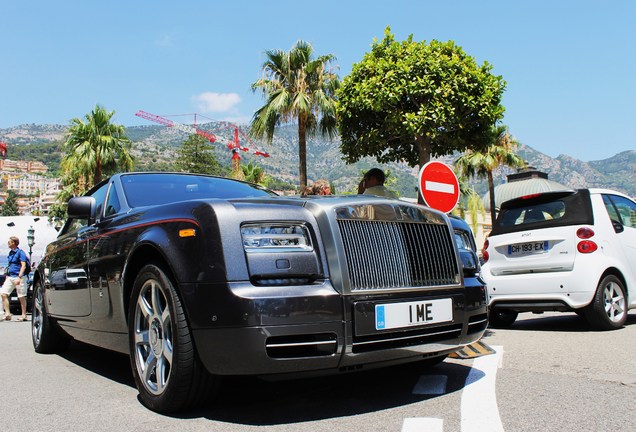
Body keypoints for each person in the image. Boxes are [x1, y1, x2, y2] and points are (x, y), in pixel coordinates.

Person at [1, 236, 29, 321]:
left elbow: (23, 265)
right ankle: (8, 314)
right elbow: (10, 266)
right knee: (3, 293)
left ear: (13, 243)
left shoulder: (21, 252)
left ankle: (24, 315)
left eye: (9, 242)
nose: (8, 243)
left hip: (19, 277)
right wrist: (7, 276)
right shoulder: (11, 253)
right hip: (10, 276)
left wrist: (19, 277)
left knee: (21, 296)